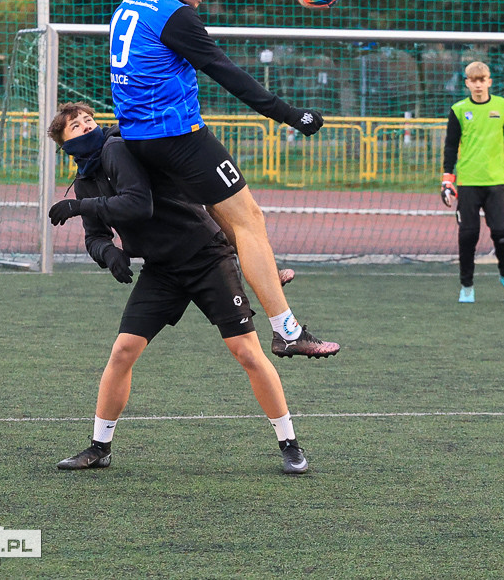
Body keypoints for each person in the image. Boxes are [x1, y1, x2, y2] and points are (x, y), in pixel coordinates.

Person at [46, 103, 324, 475]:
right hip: (162, 269)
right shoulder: (85, 180)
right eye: (76, 128)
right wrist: (107, 252)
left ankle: (290, 444)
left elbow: (137, 204)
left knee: (246, 352)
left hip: (206, 256)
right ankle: (100, 447)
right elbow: (95, 235)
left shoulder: (117, 147)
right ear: (65, 145)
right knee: (123, 350)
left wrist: (80, 206)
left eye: (88, 121)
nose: (86, 127)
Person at [108, 0, 337, 358]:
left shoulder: (129, 5)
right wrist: (290, 115)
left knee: (228, 219)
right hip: (177, 138)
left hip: (137, 138)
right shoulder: (176, 15)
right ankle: (286, 331)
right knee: (250, 218)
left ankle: (261, 271)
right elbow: (226, 73)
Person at [440, 61, 504, 303]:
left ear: (489, 82)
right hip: (468, 182)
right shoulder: (458, 109)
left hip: (495, 182)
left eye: (483, 80)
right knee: (468, 235)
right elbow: (450, 147)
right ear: (467, 83)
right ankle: (467, 285)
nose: (478, 84)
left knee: (502, 233)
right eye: (474, 80)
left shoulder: (502, 106)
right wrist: (447, 180)